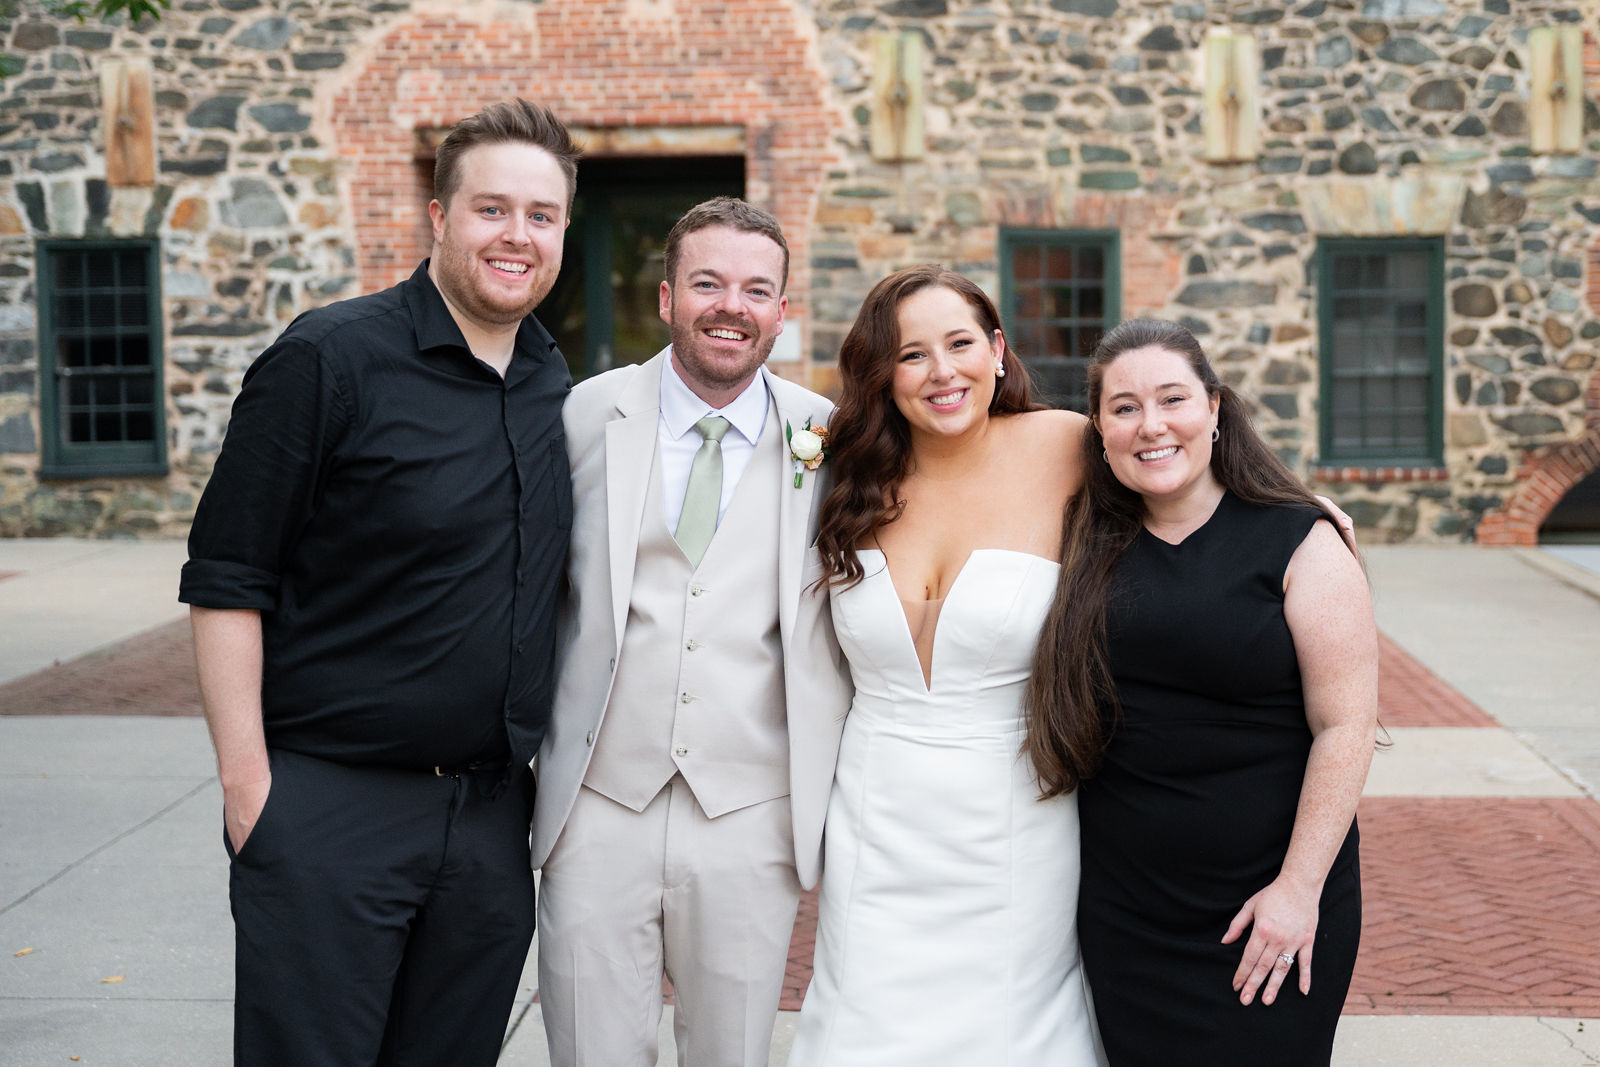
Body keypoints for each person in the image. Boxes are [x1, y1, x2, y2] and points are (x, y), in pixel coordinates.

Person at [178, 99, 577, 1066]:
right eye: (491, 209)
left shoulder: (552, 384)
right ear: (438, 216)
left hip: (487, 827)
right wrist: (251, 793)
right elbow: (229, 576)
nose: (516, 235)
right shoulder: (328, 358)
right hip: (331, 813)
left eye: (542, 214)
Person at [532, 196, 851, 1067]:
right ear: (668, 297)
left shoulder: (829, 436)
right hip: (597, 801)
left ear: (781, 312)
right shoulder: (584, 417)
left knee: (733, 1054)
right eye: (707, 282)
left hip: (750, 812)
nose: (731, 306)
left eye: (756, 289)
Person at [1026, 318, 1377, 1065]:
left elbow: (1346, 725)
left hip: (1268, 906)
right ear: (1099, 427)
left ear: (1215, 408)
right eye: (1123, 407)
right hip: (1129, 913)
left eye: (1173, 398)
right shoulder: (1085, 538)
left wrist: (1297, 890)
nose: (1151, 425)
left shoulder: (1301, 541)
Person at [788, 265, 1105, 1065]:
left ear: (997, 350)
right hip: (873, 813)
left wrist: (1301, 519)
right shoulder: (847, 473)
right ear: (882, 375)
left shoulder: (1067, 445)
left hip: (1014, 817)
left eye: (960, 343)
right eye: (911, 354)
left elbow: (1188, 470)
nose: (942, 372)